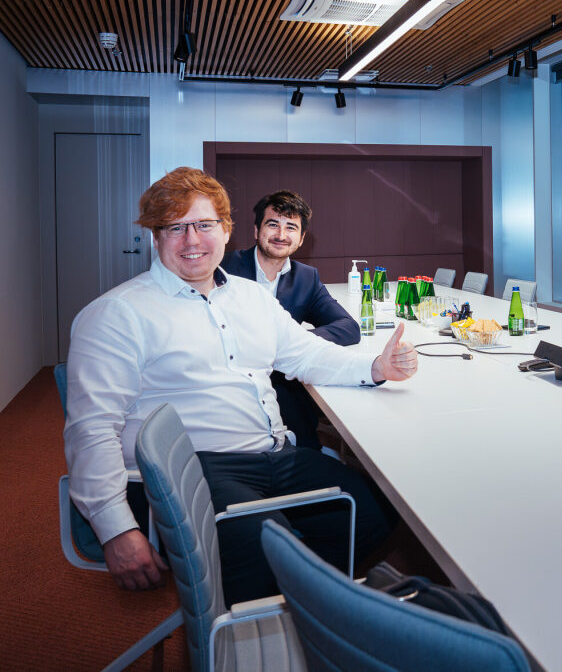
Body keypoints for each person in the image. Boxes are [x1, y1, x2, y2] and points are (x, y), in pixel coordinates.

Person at [64, 167, 418, 605]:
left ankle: (294, 602)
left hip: (276, 454)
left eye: (204, 225)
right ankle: (260, 613)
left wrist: (377, 366)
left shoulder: (251, 299)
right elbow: (91, 430)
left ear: (227, 230)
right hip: (198, 467)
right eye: (175, 228)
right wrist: (115, 527)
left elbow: (307, 355)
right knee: (268, 545)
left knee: (375, 512)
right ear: (155, 237)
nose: (192, 241)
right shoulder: (117, 314)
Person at [221, 190, 358, 450]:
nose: (281, 235)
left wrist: (290, 342)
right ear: (256, 230)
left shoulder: (306, 277)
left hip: (283, 383)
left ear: (302, 238)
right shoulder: (225, 269)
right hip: (233, 385)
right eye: (273, 224)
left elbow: (348, 328)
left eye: (291, 227)